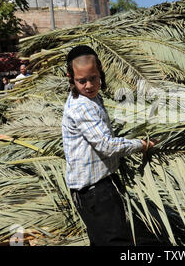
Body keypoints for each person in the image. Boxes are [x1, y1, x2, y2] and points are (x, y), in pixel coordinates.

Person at [62, 45, 159, 246]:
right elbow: (106, 145)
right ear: (70, 77)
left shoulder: (93, 98)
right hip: (94, 192)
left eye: (94, 78)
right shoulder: (82, 105)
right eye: (82, 81)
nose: (89, 85)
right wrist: (141, 145)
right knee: (116, 242)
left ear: (101, 72)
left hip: (98, 187)